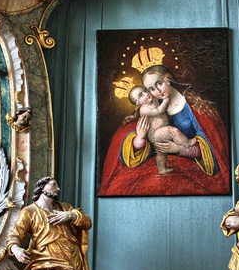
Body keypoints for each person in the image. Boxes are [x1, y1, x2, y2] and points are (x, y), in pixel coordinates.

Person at [98, 52, 230, 196]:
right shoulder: (152, 105)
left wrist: (178, 149)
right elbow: (130, 133)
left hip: (194, 165)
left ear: (167, 80)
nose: (157, 92)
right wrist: (140, 139)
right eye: (151, 89)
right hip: (163, 163)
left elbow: (212, 146)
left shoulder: (194, 105)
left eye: (159, 84)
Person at [127, 84, 195, 175]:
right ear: (138, 102)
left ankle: (162, 169)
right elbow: (159, 111)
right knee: (173, 131)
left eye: (144, 91)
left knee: (161, 153)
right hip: (155, 134)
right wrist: (166, 101)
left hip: (160, 131)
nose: (146, 94)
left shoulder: (153, 99)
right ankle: (187, 143)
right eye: (141, 95)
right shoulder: (144, 109)